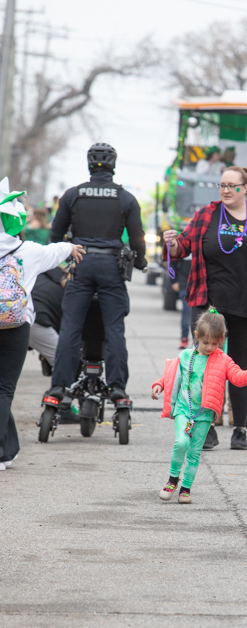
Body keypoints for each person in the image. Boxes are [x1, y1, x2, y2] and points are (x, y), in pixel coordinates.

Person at [163, 166, 247, 451]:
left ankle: (239, 428)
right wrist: (172, 243)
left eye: (232, 186)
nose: (226, 190)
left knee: (240, 367)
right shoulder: (207, 215)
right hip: (210, 305)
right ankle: (207, 426)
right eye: (222, 185)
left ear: (245, 188)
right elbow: (182, 248)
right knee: (203, 367)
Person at [45, 143, 146, 404]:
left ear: (89, 165)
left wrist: (64, 258)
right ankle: (117, 387)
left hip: (80, 263)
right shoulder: (125, 198)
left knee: (71, 327)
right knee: (114, 329)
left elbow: (55, 236)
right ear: (113, 165)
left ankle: (59, 386)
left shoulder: (73, 195)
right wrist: (140, 262)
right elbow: (137, 239)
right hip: (111, 267)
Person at [0, 178, 83, 470]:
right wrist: (71, 247)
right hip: (16, 324)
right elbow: (56, 251)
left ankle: (8, 451)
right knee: (4, 389)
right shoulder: (28, 251)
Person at [151, 308, 247, 503]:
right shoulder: (186, 356)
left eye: (215, 343)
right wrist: (159, 384)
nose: (210, 347)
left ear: (222, 340)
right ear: (196, 336)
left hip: (204, 414)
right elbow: (172, 374)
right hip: (184, 409)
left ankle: (186, 488)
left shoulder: (223, 360)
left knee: (194, 453)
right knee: (181, 443)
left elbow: (237, 377)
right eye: (205, 342)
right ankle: (172, 480)